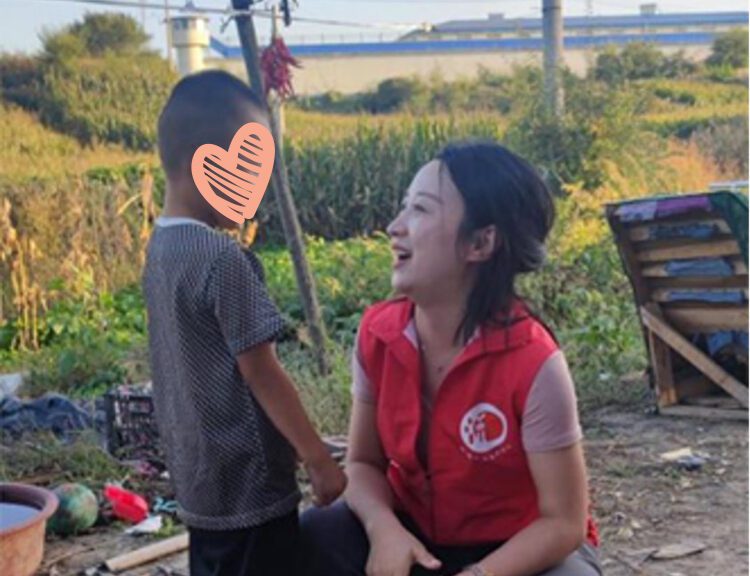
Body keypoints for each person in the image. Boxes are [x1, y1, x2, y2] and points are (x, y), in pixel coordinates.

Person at [301, 141, 601, 576]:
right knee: (318, 533)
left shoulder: (534, 363)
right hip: (418, 539)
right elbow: (364, 464)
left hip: (516, 552)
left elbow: (564, 523)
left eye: (420, 210)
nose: (394, 227)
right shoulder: (378, 336)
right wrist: (384, 529)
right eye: (404, 208)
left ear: (480, 242)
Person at [142, 70, 346, 576]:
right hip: (247, 481)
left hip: (199, 479)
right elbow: (263, 372)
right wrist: (317, 458)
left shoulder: (161, 248)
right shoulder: (219, 258)